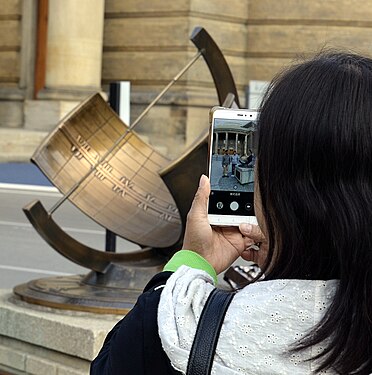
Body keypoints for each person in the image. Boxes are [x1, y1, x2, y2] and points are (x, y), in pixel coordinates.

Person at [91, 51, 372, 374]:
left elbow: (112, 365)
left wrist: (192, 263)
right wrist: (294, 258)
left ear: (281, 192)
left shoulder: (184, 329)